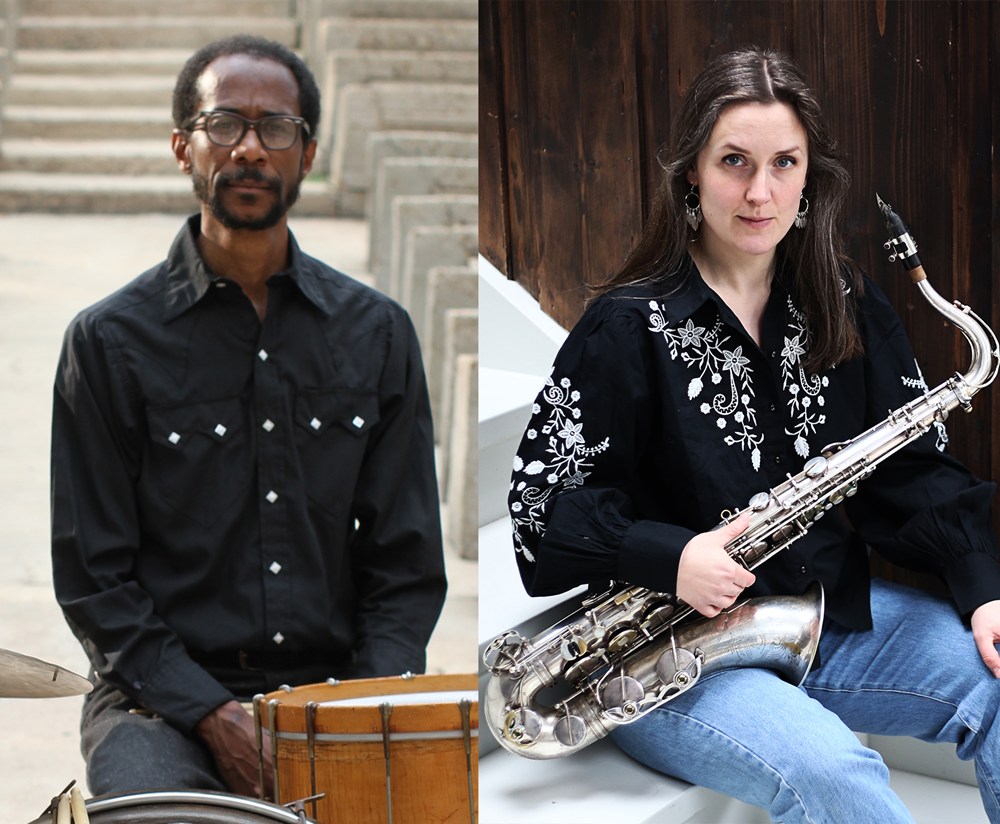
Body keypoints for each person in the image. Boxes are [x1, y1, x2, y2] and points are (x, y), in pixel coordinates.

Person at [508, 47, 1000, 823]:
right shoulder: (626, 326)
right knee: (835, 772)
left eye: (783, 163)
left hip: (821, 618)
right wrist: (673, 556)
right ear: (692, 174)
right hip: (671, 657)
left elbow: (911, 471)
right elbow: (539, 508)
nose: (759, 192)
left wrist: (982, 589)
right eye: (734, 161)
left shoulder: (842, 298)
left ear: (810, 178)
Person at [51, 34, 446, 799]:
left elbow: (404, 566)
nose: (251, 148)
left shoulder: (378, 333)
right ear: (183, 147)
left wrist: (361, 709)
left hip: (334, 690)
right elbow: (95, 580)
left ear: (309, 153)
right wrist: (211, 714)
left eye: (277, 128)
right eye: (225, 123)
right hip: (157, 703)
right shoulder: (108, 342)